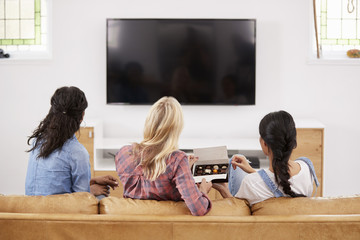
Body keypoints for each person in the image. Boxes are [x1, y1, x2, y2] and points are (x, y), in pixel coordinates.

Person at [115, 96, 212, 216]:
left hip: (134, 226)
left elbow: (149, 180)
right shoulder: (177, 160)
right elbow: (199, 209)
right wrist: (203, 190)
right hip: (169, 230)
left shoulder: (123, 153)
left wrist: (184, 169)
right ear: (176, 127)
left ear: (149, 122)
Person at [25, 86, 118, 197]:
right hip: (60, 212)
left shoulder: (37, 141)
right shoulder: (77, 152)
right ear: (82, 116)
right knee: (102, 195)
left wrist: (92, 181)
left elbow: (51, 186)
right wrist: (91, 191)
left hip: (31, 209)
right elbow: (81, 200)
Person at [213, 110, 319, 206]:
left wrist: (224, 189)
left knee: (234, 161)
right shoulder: (307, 167)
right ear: (293, 141)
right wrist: (253, 171)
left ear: (264, 143)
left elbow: (239, 213)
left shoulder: (250, 183)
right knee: (240, 159)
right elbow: (276, 181)